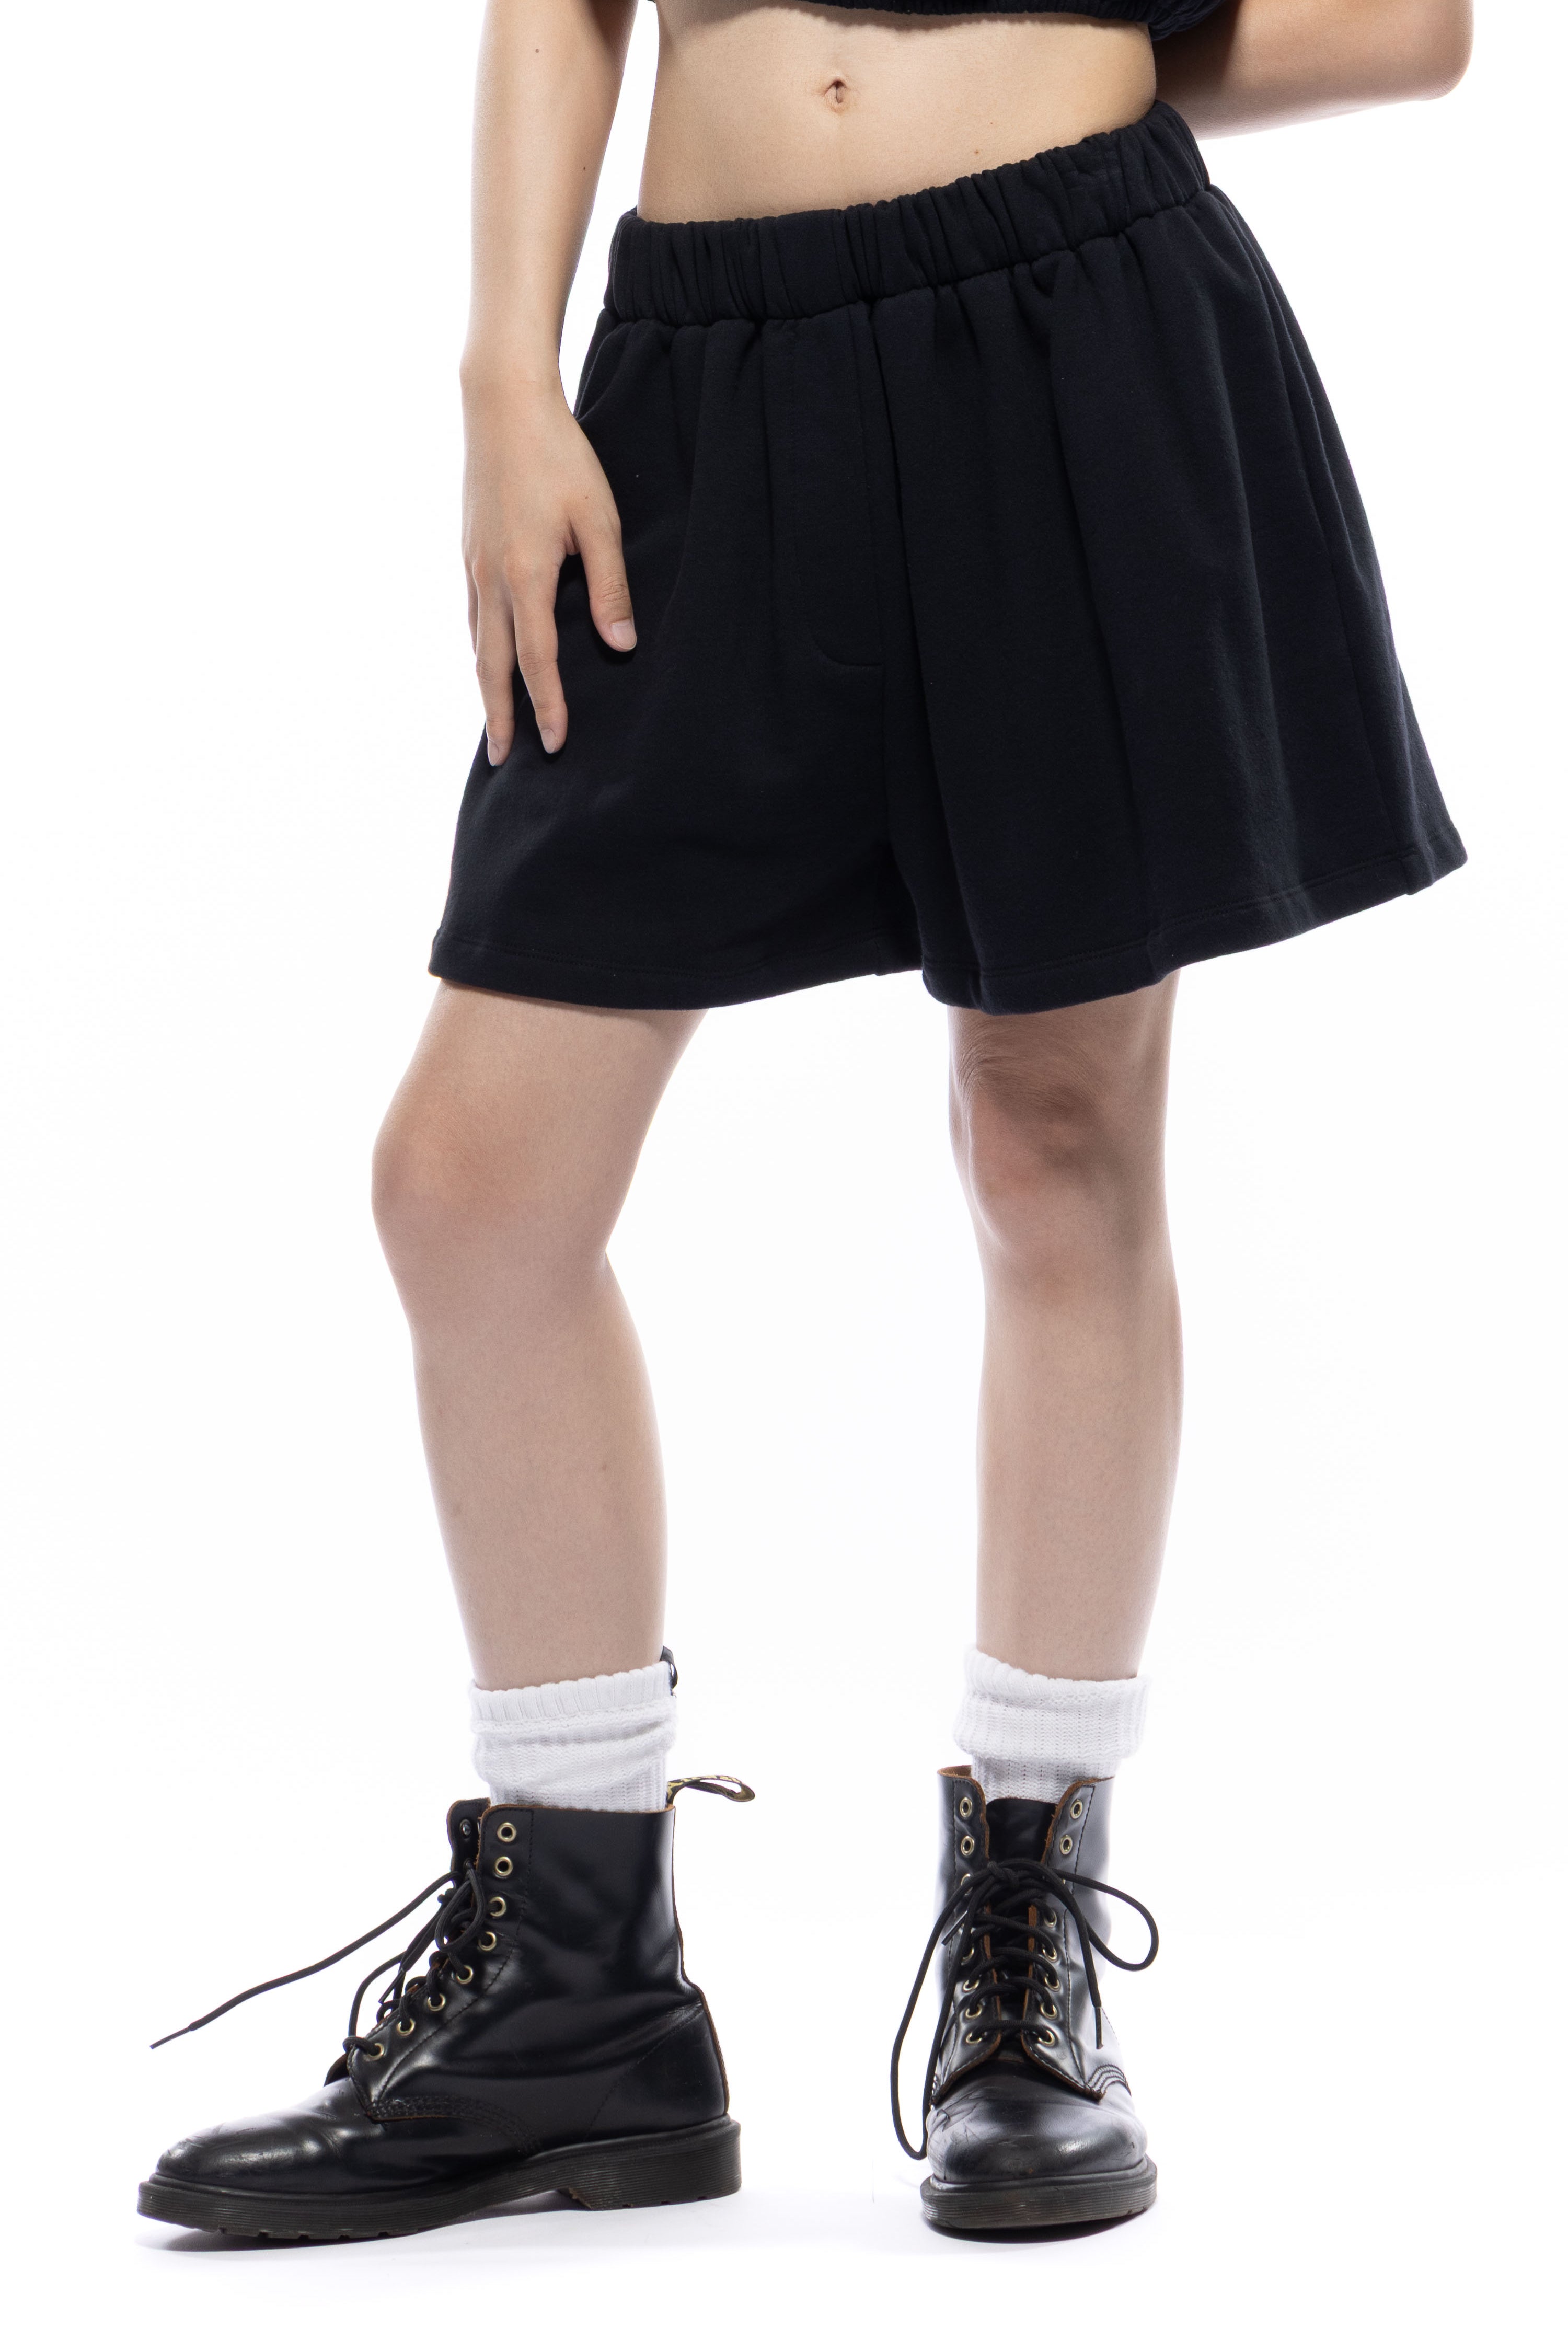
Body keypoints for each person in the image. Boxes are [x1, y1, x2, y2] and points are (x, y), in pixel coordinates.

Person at [138, 0, 1472, 2242]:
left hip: (1072, 324)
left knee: (1056, 1146)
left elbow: (1414, 27)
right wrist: (505, 373)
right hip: (704, 372)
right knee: (471, 1184)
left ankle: (1028, 1950)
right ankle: (581, 1995)